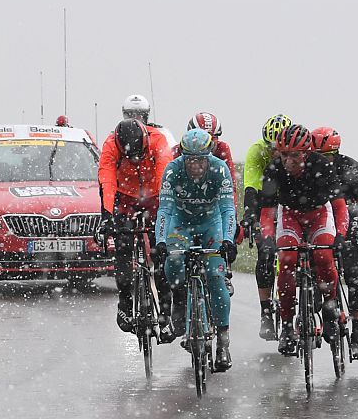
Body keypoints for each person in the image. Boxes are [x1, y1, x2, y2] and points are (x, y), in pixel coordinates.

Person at [256, 124, 350, 357]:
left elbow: (339, 206)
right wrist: (267, 237)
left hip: (319, 214)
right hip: (290, 214)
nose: (288, 161)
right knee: (287, 260)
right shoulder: (274, 168)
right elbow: (267, 211)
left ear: (306, 153)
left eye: (294, 155)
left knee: (323, 256)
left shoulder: (322, 165)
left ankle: (330, 307)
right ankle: (288, 326)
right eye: (284, 154)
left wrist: (341, 235)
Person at [155, 129, 238, 371]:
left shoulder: (219, 168)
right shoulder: (172, 170)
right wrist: (161, 241)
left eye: (200, 159)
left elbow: (227, 210)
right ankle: (181, 300)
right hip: (181, 223)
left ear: (208, 156)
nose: (196, 166)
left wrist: (229, 240)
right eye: (190, 160)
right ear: (183, 157)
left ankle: (223, 341)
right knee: (173, 263)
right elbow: (165, 211)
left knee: (215, 275)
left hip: (211, 224)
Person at [98, 118, 175, 338]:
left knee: (161, 254)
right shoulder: (110, 145)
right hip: (125, 200)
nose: (136, 159)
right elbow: (107, 181)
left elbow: (165, 179)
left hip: (154, 198)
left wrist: (164, 214)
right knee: (122, 248)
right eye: (130, 156)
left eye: (139, 155)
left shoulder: (158, 140)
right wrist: (107, 217)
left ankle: (166, 316)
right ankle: (124, 303)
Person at [311, 127, 358, 360]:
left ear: (335, 153)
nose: (321, 160)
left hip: (347, 223)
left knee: (354, 276)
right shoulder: (310, 168)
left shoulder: (351, 168)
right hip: (321, 223)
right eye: (316, 155)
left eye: (326, 156)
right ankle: (321, 307)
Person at [242, 113, 293, 340]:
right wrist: (250, 217)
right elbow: (251, 187)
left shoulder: (296, 151)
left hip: (291, 204)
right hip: (266, 205)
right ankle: (265, 313)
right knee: (265, 254)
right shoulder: (256, 151)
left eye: (278, 148)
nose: (274, 153)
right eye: (270, 147)